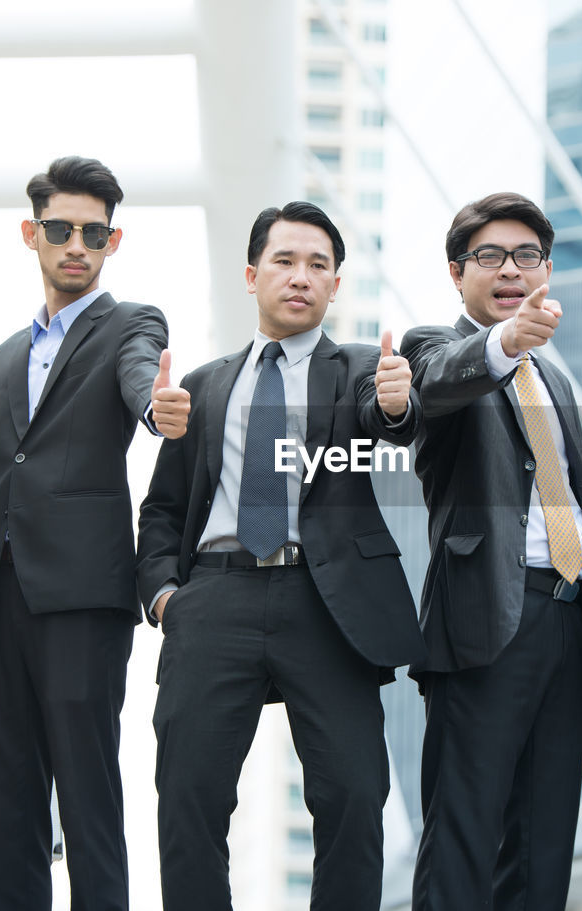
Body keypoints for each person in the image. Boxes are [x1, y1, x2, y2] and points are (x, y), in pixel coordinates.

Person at [136, 200, 425, 910]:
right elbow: (163, 509)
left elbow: (387, 420)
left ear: (334, 285)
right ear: (251, 273)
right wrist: (167, 597)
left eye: (318, 265)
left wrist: (396, 403)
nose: (300, 277)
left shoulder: (361, 367)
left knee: (355, 797)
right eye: (285, 261)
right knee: (188, 801)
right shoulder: (202, 385)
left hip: (329, 604)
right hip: (214, 598)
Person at [0, 155, 190, 911]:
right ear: (31, 233)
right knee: (1, 806)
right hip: (1, 603)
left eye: (93, 233)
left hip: (83, 599)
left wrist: (159, 408)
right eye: (60, 229)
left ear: (112, 242)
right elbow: (2, 478)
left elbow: (140, 378)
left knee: (87, 796)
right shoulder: (4, 355)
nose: (76, 245)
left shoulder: (130, 323)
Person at [400, 191, 582, 910]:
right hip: (484, 622)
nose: (510, 270)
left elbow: (580, 517)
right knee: (464, 838)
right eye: (490, 256)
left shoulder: (555, 380)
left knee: (542, 849)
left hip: (566, 623)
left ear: (548, 270)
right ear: (455, 271)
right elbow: (434, 388)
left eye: (526, 256)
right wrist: (506, 343)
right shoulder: (432, 350)